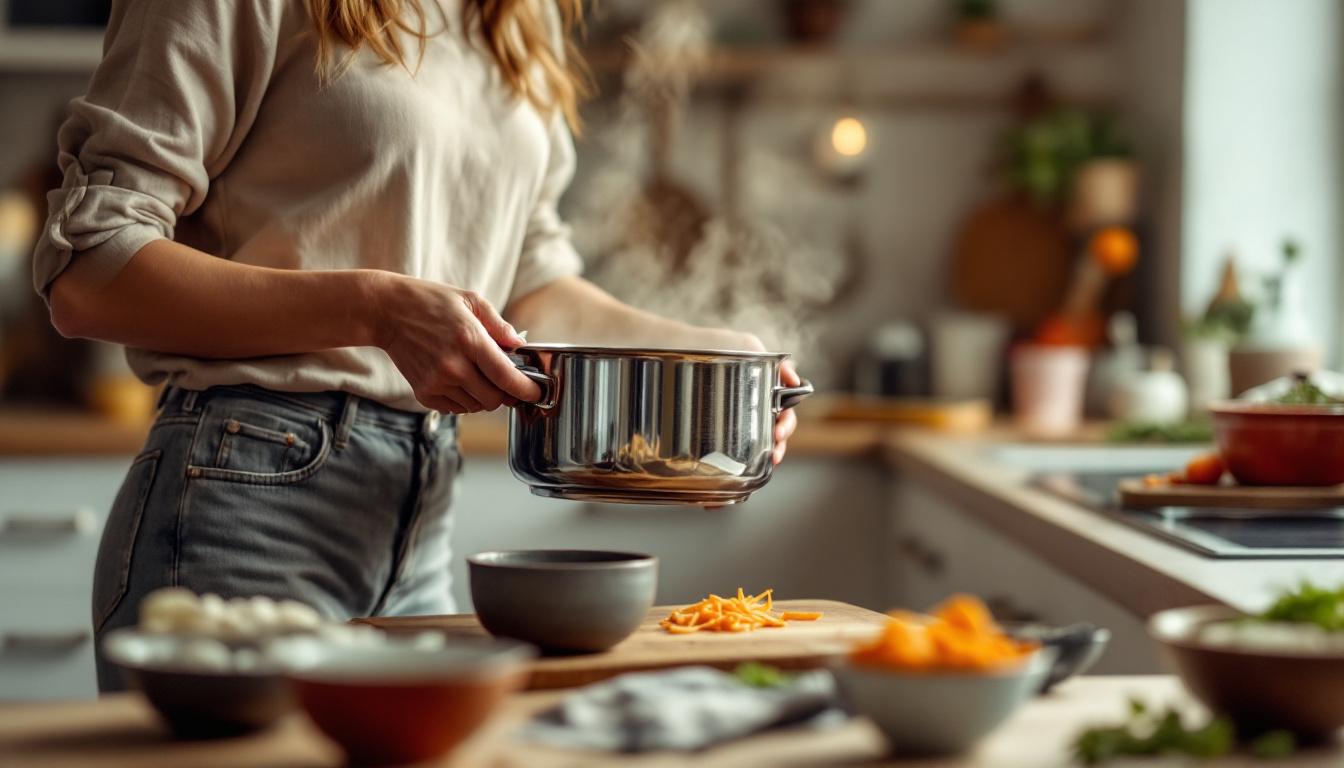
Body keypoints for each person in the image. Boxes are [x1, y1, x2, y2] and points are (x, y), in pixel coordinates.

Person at [33, 0, 800, 691]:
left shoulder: (515, 15)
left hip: (420, 523)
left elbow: (526, 281)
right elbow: (89, 269)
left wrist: (721, 361)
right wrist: (375, 308)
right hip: (245, 508)